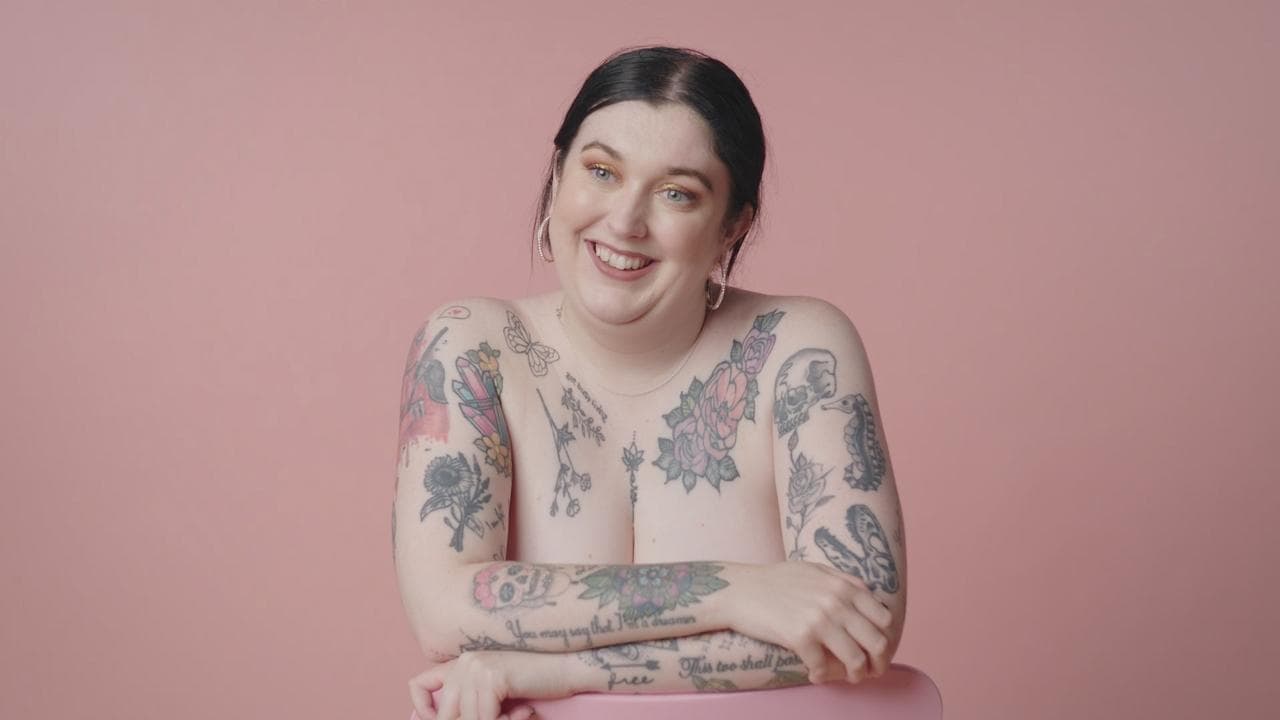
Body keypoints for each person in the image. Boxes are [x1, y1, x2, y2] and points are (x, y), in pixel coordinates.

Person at [393, 45, 907, 720]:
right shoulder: (470, 347)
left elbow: (856, 626)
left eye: (677, 193)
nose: (625, 221)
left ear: (733, 226)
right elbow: (443, 610)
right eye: (601, 171)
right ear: (558, 174)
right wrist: (735, 592)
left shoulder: (800, 349)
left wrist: (556, 671)